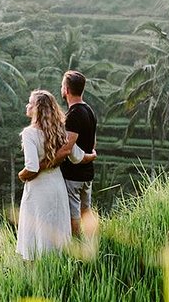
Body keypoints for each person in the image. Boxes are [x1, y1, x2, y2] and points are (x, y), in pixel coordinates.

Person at [16, 90, 96, 261]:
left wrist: (21, 176)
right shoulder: (60, 130)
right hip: (57, 185)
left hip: (38, 188)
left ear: (37, 108)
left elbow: (31, 167)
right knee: (56, 228)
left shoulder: (29, 133)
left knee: (36, 230)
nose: (27, 105)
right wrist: (93, 156)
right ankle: (56, 266)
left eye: (30, 103)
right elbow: (77, 156)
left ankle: (37, 273)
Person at [57, 70, 98, 237]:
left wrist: (48, 162)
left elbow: (67, 148)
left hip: (74, 175)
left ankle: (76, 247)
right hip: (87, 173)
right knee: (85, 210)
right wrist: (89, 156)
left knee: (73, 213)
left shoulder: (73, 115)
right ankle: (90, 242)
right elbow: (93, 143)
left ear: (66, 90)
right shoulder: (89, 111)